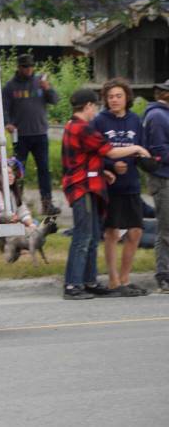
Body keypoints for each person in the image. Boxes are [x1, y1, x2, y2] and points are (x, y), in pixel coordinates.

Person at [60, 89, 149, 300]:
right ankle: (72, 285)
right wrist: (136, 147)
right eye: (95, 106)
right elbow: (110, 151)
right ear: (89, 106)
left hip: (90, 184)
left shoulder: (74, 126)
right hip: (82, 187)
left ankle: (89, 281)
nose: (96, 110)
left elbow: (88, 157)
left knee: (92, 237)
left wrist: (103, 172)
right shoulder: (82, 128)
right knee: (83, 237)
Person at [93, 78, 148, 296]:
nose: (114, 100)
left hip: (131, 183)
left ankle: (125, 278)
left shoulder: (135, 120)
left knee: (135, 232)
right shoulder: (99, 121)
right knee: (112, 233)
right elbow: (94, 151)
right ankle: (113, 280)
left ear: (126, 98)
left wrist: (135, 162)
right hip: (110, 185)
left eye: (118, 96)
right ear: (105, 99)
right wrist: (110, 165)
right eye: (110, 96)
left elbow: (141, 149)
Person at [3, 54, 60, 215]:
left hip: (40, 134)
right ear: (19, 67)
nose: (29, 70)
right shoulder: (10, 87)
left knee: (44, 169)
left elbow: (55, 100)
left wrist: (47, 88)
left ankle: (47, 204)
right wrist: (8, 122)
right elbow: (4, 108)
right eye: (25, 67)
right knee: (18, 171)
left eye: (30, 66)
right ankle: (17, 204)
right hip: (20, 136)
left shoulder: (40, 82)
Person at [142, 78, 169, 294]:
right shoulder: (158, 117)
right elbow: (160, 152)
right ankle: (164, 275)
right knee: (166, 230)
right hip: (163, 179)